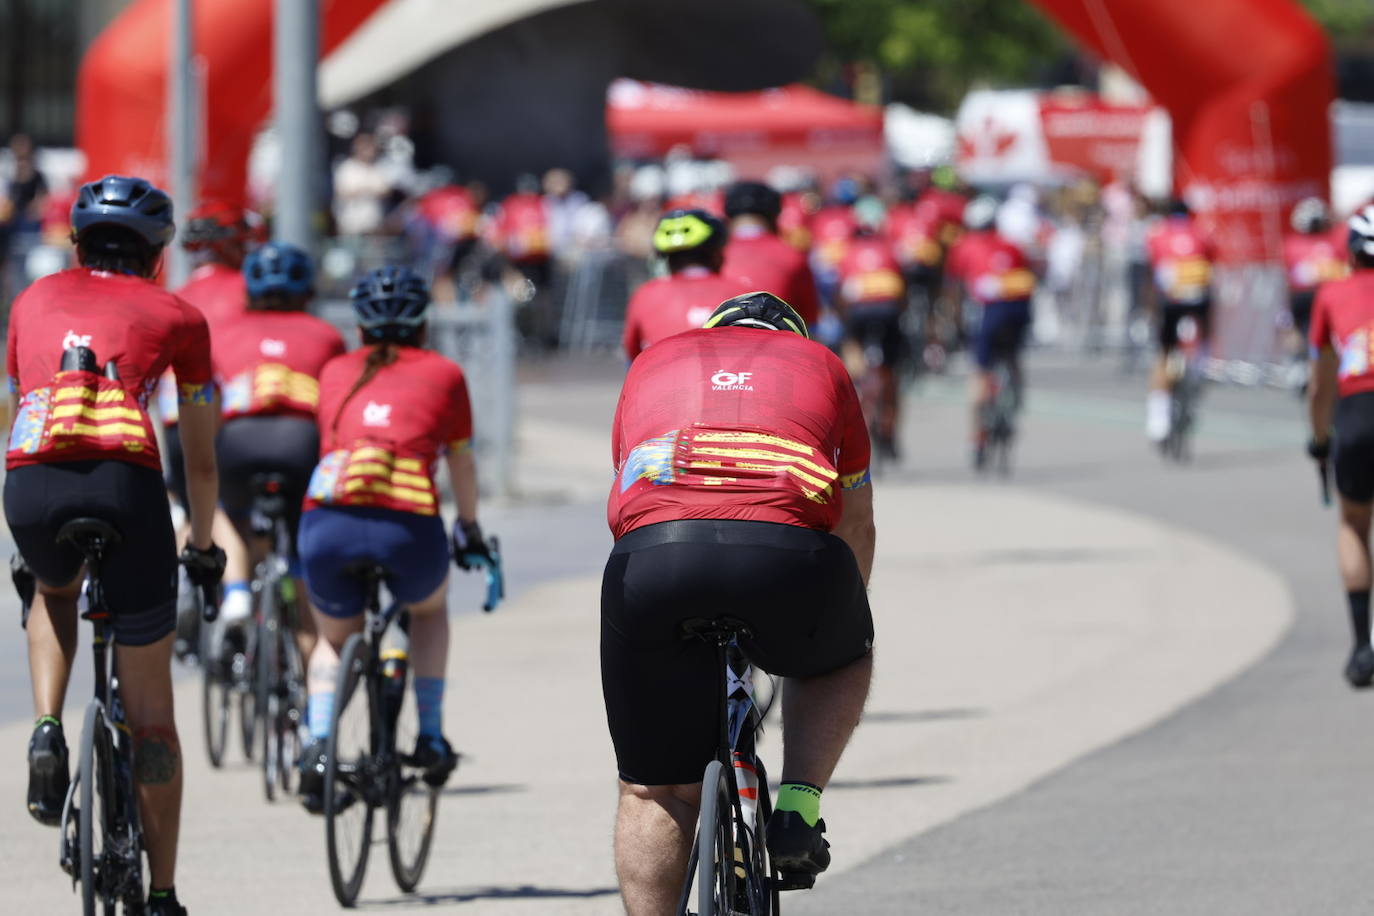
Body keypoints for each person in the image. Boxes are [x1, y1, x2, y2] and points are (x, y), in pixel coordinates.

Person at [603, 291, 875, 915]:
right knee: (841, 656)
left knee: (652, 792)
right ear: (793, 337)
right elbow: (856, 519)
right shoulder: (823, 364)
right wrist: (838, 618)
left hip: (655, 557)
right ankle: (798, 809)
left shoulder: (652, 361)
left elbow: (625, 494)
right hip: (786, 555)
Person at [6, 175, 225, 916]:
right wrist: (201, 544)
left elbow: (15, 405)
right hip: (125, 486)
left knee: (50, 589)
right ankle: (162, 894)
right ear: (158, 254)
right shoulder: (180, 316)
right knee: (154, 718)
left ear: (75, 241)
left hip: (31, 482)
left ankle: (45, 726)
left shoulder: (30, 300)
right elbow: (198, 459)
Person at [296, 266, 491, 806]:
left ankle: (316, 740)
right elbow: (461, 464)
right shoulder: (446, 374)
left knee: (333, 639)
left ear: (359, 330)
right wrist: (469, 526)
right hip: (407, 525)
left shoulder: (334, 370)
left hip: (328, 519)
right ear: (424, 326)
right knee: (428, 610)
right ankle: (429, 734)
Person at [211, 242, 345, 654]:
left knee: (228, 513)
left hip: (238, 439)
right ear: (306, 292)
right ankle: (309, 704)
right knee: (301, 542)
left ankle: (235, 594)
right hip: (301, 442)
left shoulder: (223, 332)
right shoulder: (326, 335)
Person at [1307, 205, 1374, 688]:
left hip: (1357, 412)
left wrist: (1318, 437)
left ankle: (1361, 648)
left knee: (1353, 522)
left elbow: (1320, 385)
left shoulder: (1332, 294)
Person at [945, 195, 1037, 467]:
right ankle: (1017, 395)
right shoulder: (1013, 245)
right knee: (1012, 356)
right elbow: (1029, 275)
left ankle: (976, 440)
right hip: (1019, 310)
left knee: (980, 373)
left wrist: (956, 322)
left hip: (990, 313)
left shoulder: (964, 246)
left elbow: (955, 289)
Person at [621, 208, 747, 362]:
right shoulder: (741, 293)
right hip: (723, 381)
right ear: (716, 253)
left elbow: (631, 351)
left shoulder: (644, 294)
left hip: (661, 380)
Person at [1145, 198, 1216, 443]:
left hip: (1171, 299)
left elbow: (1153, 271)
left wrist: (1151, 308)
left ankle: (1158, 418)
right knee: (1206, 327)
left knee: (1164, 353)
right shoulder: (1201, 233)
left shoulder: (1157, 234)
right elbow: (1211, 263)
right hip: (1198, 298)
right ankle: (1200, 367)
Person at [836, 219, 907, 459]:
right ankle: (890, 430)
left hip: (859, 312)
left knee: (851, 342)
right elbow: (902, 289)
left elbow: (841, 294)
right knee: (892, 373)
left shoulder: (848, 253)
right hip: (888, 310)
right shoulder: (889, 249)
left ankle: (856, 380)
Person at [720, 181, 821, 327]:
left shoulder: (713, 255)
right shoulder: (793, 255)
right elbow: (808, 320)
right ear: (775, 215)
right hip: (778, 343)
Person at [1283, 197, 1346, 360]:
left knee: (1312, 338)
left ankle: (1309, 364)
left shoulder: (1291, 244)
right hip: (1320, 297)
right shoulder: (1336, 240)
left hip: (1314, 297)